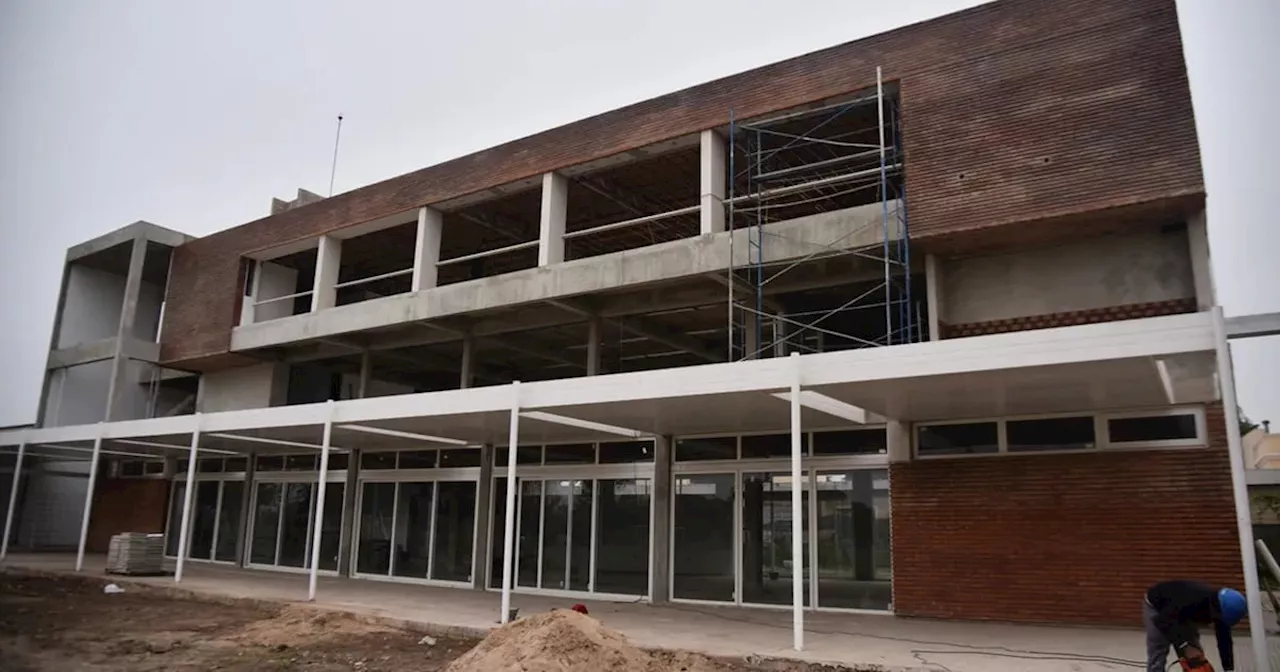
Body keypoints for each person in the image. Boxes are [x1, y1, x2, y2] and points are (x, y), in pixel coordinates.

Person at [1143, 580, 1246, 672]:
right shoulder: (1193, 600)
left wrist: (1228, 668)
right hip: (1157, 607)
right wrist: (1185, 646)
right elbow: (1163, 620)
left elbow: (1224, 640)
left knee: (1196, 657)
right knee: (1159, 649)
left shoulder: (1222, 608)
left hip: (1181, 611)